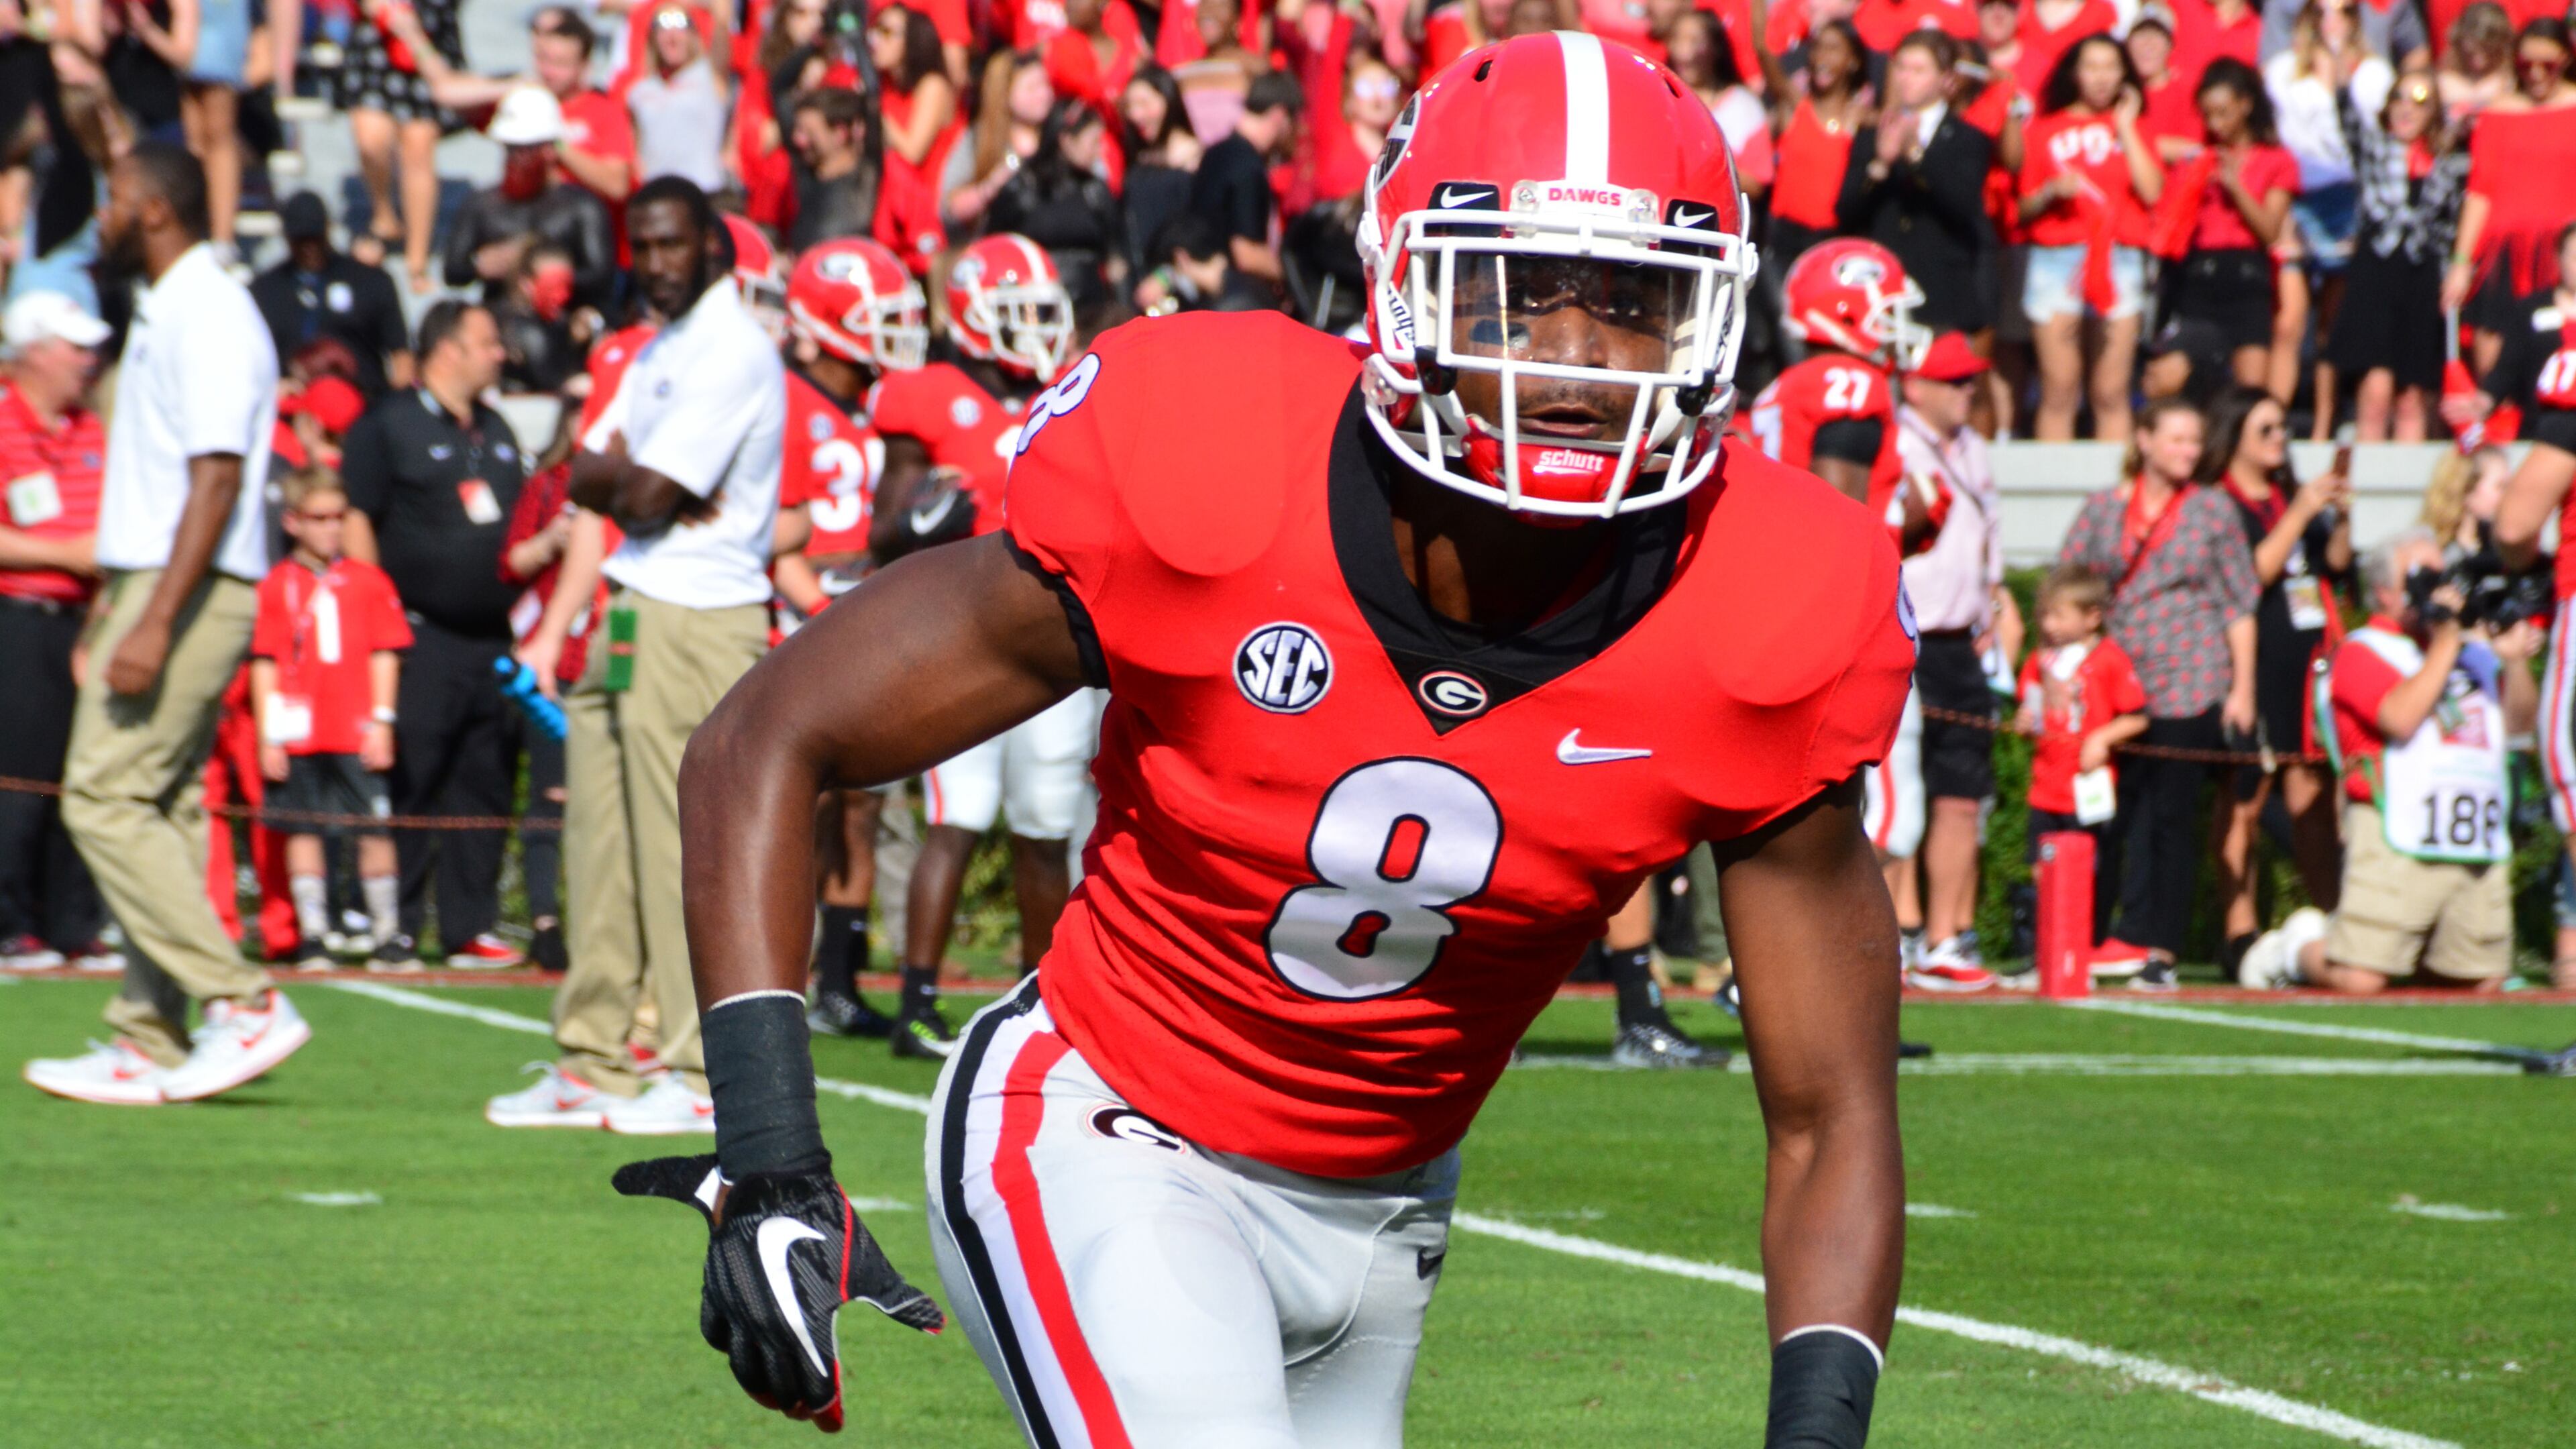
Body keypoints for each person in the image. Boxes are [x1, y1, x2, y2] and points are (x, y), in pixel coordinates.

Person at [616, 33, 1909, 1446]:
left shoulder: (1771, 607)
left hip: (1389, 1209)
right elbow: (766, 735)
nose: (1576, 359)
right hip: (1102, 1123)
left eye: (1633, 306)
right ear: (1407, 291)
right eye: (1521, 295)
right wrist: (773, 1156)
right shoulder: (1217, 451)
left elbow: (1831, 1112)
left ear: (1710, 329)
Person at [489, 176, 784, 1134]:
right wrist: (623, 479)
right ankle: (593, 1055)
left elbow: (644, 492)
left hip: (698, 614)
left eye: (672, 245)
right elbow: (587, 467)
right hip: (632, 604)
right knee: (601, 839)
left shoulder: (734, 347)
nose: (654, 263)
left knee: (674, 843)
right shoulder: (662, 350)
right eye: (641, 245)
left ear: (712, 247)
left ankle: (698, 1069)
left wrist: (624, 480)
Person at [25, 144, 305, 1106]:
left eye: (113, 199)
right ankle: (148, 1031)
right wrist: (117, 608)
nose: (101, 215)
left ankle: (242, 999)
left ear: (152, 209)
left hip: (194, 583)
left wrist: (151, 622)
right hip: (160, 579)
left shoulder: (211, 311)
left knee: (100, 797)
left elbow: (217, 477)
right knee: (162, 803)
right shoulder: (168, 306)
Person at [865, 233, 1095, 1057]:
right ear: (971, 315)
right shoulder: (927, 394)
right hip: (961, 637)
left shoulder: (1070, 391)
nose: (1037, 328)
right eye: (1019, 312)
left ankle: (1045, 999)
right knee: (957, 815)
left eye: (1042, 311)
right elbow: (882, 528)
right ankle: (916, 1003)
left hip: (1056, 641)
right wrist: (921, 522)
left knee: (1044, 825)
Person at [2240, 528, 2535, 992]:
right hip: (2393, 829)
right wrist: (2445, 642)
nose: (2438, 587)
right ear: (2384, 591)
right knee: (2362, 979)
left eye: (2442, 574)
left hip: (2468, 835)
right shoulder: (2363, 649)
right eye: (2422, 576)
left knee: (2477, 984)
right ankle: (2293, 951)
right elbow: (2400, 717)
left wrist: (2513, 661)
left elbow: (2518, 727)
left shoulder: (2465, 651)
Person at [338, 299, 530, 969]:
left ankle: (469, 926)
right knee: (414, 780)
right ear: (448, 349)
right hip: (418, 634)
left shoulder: (499, 428)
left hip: (493, 638)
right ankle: (399, 923)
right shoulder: (388, 424)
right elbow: (359, 516)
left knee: (486, 781)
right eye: (488, 341)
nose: (500, 353)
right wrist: (376, 614)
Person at [774, 235, 928, 1036]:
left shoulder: (885, 405)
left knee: (861, 806)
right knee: (801, 806)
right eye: (878, 317)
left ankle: (840, 981)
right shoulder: (786, 400)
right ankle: (783, 977)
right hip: (801, 615)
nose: (895, 331)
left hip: (860, 610)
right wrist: (824, 614)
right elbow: (774, 537)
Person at [2055, 395, 2259, 987]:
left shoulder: (2212, 510)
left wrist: (2241, 689)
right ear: (2143, 440)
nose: (2187, 452)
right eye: (2175, 440)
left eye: (2194, 442)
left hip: (2189, 682)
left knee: (2171, 818)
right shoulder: (2101, 510)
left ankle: (2159, 950)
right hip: (2115, 688)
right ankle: (2093, 937)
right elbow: (2067, 585)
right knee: (2109, 816)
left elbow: (2239, 603)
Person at [2199, 384, 2349, 961]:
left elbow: (2331, 568)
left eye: (2283, 428)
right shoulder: (2224, 502)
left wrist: (2335, 520)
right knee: (2245, 799)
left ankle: (2336, 921)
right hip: (2253, 669)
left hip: (2305, 670)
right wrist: (2304, 510)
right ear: (2234, 438)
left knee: (2312, 796)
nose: (2279, 439)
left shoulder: (2287, 494)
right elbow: (2253, 572)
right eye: (2265, 429)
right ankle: (2239, 933)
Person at [248, 470, 412, 970]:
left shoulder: (368, 579)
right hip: (300, 732)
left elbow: (386, 651)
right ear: (294, 522)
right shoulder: (277, 585)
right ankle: (314, 933)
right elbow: (265, 662)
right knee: (303, 830)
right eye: (319, 519)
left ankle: (387, 932)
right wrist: (268, 736)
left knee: (373, 829)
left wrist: (382, 720)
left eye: (338, 519)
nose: (330, 530)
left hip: (355, 727)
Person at [1896, 332, 2014, 989]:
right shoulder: (1894, 442)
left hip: (1961, 643)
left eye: (1971, 382)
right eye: (1955, 382)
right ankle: (1901, 929)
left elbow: (1989, 536)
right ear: (1917, 385)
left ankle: (1945, 938)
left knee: (1962, 794)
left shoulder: (1972, 449)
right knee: (1898, 794)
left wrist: (1997, 603)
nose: (1968, 392)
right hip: (1905, 635)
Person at [0, 290, 110, 973]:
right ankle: (12, 923)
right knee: (17, 776)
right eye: (74, 348)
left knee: (83, 773)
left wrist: (99, 620)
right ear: (35, 351)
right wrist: (66, 557)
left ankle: (74, 924)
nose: (87, 361)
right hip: (16, 618)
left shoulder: (89, 428)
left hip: (85, 624)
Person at [2018, 34, 2163, 441]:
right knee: (2060, 388)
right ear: (2075, 73)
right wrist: (2050, 192)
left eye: (2111, 67)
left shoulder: (2137, 128)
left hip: (2119, 260)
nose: (2102, 78)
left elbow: (2153, 192)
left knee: (2111, 390)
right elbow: (2021, 208)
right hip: (2057, 258)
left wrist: (2126, 126)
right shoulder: (2044, 130)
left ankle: (2115, 497)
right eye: (2092, 67)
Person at [2265, 0, 2392, 425]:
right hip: (2297, 195)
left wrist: (2341, 77)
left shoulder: (2374, 74)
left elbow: (2374, 135)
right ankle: (2273, 417)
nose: (2331, 21)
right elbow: (2282, 132)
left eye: (2343, 11)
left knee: (2331, 325)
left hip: (2347, 196)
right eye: (2321, 11)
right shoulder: (2283, 69)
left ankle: (2325, 419)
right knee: (2289, 321)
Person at [2324, 68, 2467, 440]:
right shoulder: (2374, 149)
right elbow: (2347, 116)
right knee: (2376, 391)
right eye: (2399, 98)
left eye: (2419, 101)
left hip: (2421, 275)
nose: (2407, 108)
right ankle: (2366, 489)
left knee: (2413, 396)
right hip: (2377, 272)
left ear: (2433, 111)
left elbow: (2455, 222)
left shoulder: (2446, 164)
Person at [2015, 565, 2148, 936]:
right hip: (2045, 791)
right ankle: (2048, 945)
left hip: (2087, 793)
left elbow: (2137, 717)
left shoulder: (2108, 659)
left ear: (2092, 618)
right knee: (2043, 871)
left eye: (2059, 614)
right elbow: (2033, 712)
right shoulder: (2039, 661)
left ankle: (2087, 942)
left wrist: (2102, 738)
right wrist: (2026, 723)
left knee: (2092, 870)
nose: (2049, 624)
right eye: (2044, 615)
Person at [1836, 32, 1997, 341]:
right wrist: (1880, 166)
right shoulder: (1873, 132)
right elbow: (1845, 210)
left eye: (1919, 70)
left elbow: (1962, 206)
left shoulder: (1967, 138)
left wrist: (1916, 157)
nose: (1906, 79)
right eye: (1902, 68)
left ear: (1945, 78)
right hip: (1882, 296)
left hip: (1941, 295)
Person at [2443, 18, 2576, 367]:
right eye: (2525, 64)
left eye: (2547, 65)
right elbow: (2479, 191)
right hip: (2502, 252)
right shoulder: (2498, 112)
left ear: (2566, 60)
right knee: (2492, 355)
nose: (2535, 74)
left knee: (2557, 355)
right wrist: (2461, 262)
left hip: (2563, 253)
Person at [2163, 57, 2301, 391]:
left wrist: (2234, 185)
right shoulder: (2198, 158)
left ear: (2246, 105)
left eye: (2223, 112)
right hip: (2199, 273)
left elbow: (2269, 231)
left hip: (2247, 276)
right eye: (2208, 114)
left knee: (2249, 385)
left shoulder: (2276, 160)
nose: (2215, 123)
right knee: (2180, 378)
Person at [441, 87, 619, 314]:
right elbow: (452, 271)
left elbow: (602, 276)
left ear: (549, 150)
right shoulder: (482, 205)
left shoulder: (582, 207)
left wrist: (549, 275)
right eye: (511, 148)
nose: (517, 158)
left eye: (526, 149)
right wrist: (480, 267)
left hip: (565, 322)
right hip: (501, 320)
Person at [338, 0, 463, 290]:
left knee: (418, 145)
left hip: (426, 38)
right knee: (370, 138)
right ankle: (384, 217)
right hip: (375, 49)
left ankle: (416, 260)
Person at [250, 191, 413, 398]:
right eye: (301, 239)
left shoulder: (369, 281)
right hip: (291, 404)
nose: (309, 247)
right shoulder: (265, 289)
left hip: (361, 405)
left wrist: (396, 406)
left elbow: (401, 355)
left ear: (327, 230)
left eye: (315, 237)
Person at [988, 97, 1127, 309]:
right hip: (1035, 306)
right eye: (1094, 142)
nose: (1100, 151)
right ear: (1066, 140)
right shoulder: (1023, 187)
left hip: (1090, 307)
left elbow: (1115, 260)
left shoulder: (1095, 190)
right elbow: (995, 244)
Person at [873, 2, 965, 274]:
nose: (877, 40)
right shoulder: (886, 86)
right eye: (876, 30)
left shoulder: (932, 85)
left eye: (889, 33)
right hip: (894, 209)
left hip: (928, 215)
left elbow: (913, 151)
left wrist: (874, 111)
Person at [1189, 68, 1301, 288]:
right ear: (1279, 116)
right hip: (1229, 292)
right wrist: (1299, 277)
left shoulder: (1216, 152)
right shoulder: (1248, 165)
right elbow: (1246, 253)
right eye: (1293, 122)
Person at [627, 1, 730, 193]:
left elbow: (722, 22)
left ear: (693, 35)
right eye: (663, 27)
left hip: (704, 190)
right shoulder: (639, 91)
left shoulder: (709, 75)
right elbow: (635, 146)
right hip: (657, 192)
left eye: (681, 26)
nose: (672, 35)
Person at [782, 87, 877, 255]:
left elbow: (874, 98)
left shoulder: (869, 178)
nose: (798, 140)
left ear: (839, 133)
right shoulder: (804, 174)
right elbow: (780, 88)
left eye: (809, 132)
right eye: (798, 130)